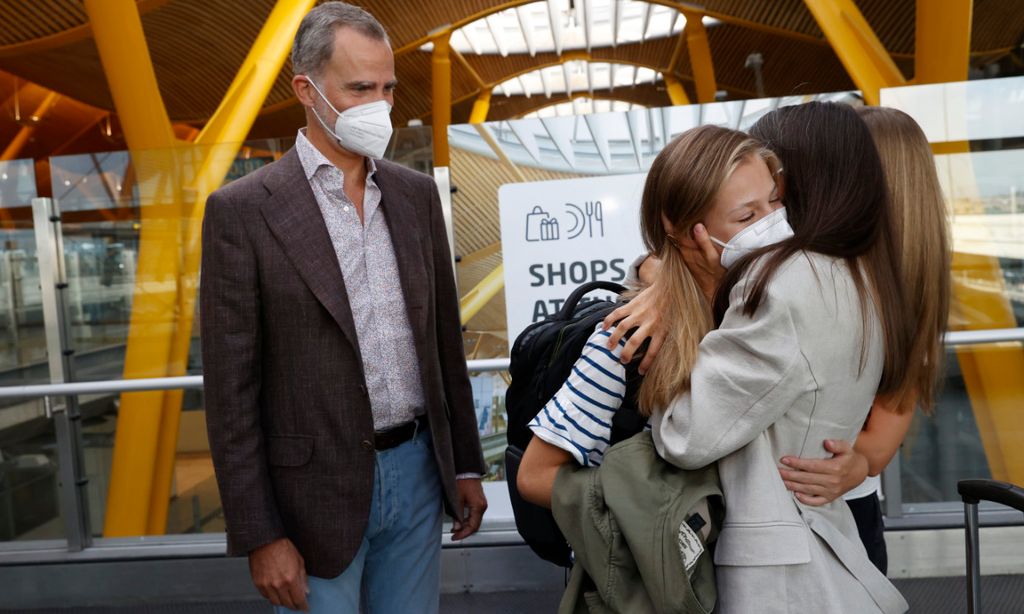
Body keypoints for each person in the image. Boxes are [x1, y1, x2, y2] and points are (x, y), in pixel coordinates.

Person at [199, 3, 486, 612]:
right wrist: (260, 532)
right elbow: (231, 395)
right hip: (309, 495)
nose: (379, 106)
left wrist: (464, 464)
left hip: (416, 473)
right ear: (306, 89)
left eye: (387, 88)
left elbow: (443, 344)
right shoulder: (243, 212)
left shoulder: (414, 196)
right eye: (360, 88)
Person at [605, 106, 951, 577]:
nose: (766, 213)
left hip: (814, 514)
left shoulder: (808, 285)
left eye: (773, 192)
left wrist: (859, 463)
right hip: (805, 517)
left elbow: (689, 432)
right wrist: (667, 273)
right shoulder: (836, 276)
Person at [517, 125, 786, 507]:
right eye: (746, 217)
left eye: (775, 202)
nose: (771, 224)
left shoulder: (774, 305)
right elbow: (535, 476)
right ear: (683, 231)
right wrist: (652, 509)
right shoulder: (631, 338)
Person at [773, 106, 951, 573]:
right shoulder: (806, 265)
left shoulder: (904, 297)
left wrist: (854, 466)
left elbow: (879, 444)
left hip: (841, 512)